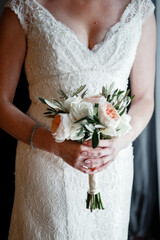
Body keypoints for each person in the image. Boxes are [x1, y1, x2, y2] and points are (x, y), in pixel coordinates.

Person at [0, 0, 156, 239]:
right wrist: (54, 145)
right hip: (46, 163)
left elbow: (144, 98)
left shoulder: (139, 10)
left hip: (111, 167)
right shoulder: (26, 6)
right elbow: (1, 103)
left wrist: (118, 143)